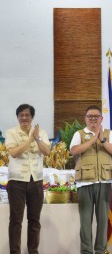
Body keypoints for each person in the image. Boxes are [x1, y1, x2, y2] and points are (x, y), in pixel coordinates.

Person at [70, 105, 112, 254]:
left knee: (103, 221)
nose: (93, 119)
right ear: (85, 119)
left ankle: (100, 250)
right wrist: (92, 139)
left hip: (104, 182)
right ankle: (86, 251)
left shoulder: (109, 134)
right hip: (85, 182)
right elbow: (74, 150)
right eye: (90, 116)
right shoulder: (79, 134)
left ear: (101, 118)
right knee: (85, 222)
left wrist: (102, 140)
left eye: (96, 116)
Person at [5, 103, 50, 254]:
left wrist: (37, 139)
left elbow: (47, 152)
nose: (24, 117)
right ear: (17, 117)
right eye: (21, 115)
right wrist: (30, 140)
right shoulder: (11, 132)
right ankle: (15, 252)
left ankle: (33, 251)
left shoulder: (40, 132)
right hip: (16, 181)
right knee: (16, 221)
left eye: (27, 115)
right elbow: (14, 153)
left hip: (35, 180)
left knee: (34, 220)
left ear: (32, 117)